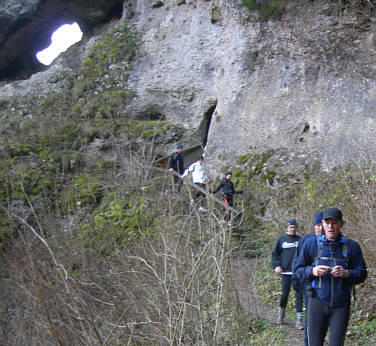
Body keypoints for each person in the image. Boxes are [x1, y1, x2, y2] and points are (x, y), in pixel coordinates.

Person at [294, 207, 367, 346]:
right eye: (327, 223)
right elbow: (297, 270)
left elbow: (362, 273)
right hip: (317, 302)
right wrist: (312, 271)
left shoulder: (352, 247)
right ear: (322, 224)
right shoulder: (311, 244)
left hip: (341, 305)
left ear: (341, 224)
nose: (330, 226)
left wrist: (347, 273)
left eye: (334, 223)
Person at [292, 211, 324, 344]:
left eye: (322, 225)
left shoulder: (333, 242)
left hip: (327, 286)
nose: (320, 228)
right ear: (314, 226)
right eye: (318, 225)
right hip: (308, 284)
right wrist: (296, 282)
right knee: (310, 319)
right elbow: (297, 263)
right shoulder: (306, 241)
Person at [271, 219, 303, 329]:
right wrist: (276, 266)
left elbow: (305, 254)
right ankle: (280, 315)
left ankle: (299, 320)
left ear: (296, 228)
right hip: (285, 272)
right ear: (287, 228)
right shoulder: (281, 239)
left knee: (299, 295)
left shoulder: (301, 240)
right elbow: (274, 254)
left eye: (294, 227)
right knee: (285, 294)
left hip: (297, 272)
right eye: (290, 227)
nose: (292, 229)